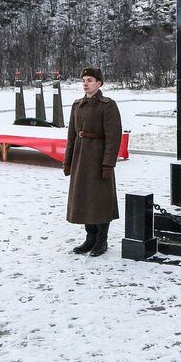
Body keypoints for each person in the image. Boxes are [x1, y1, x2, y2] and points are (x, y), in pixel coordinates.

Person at [63, 67, 122, 256]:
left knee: (100, 199)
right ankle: (90, 238)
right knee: (84, 198)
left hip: (98, 158)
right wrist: (68, 161)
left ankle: (101, 240)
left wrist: (108, 164)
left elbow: (114, 137)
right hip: (81, 158)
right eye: (84, 80)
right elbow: (71, 135)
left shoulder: (107, 105)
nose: (85, 84)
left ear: (99, 83)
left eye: (90, 80)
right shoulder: (77, 105)